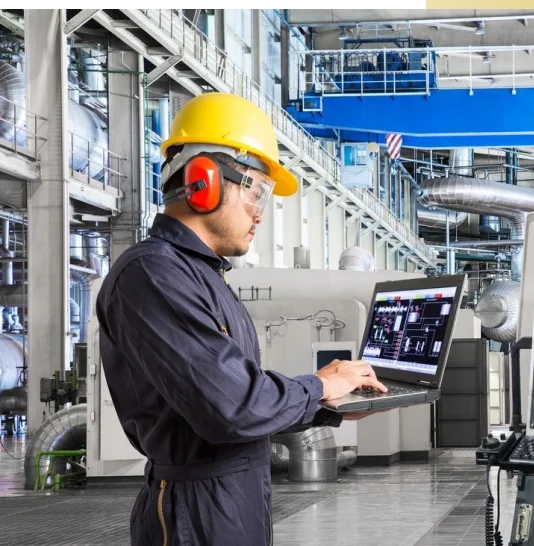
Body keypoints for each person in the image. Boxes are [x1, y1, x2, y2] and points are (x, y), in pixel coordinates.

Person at [95, 92, 388, 546]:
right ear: (203, 181)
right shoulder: (151, 275)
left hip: (232, 500)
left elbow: (237, 399)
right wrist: (320, 385)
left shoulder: (203, 275)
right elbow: (231, 407)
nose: (259, 212)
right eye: (255, 190)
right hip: (196, 514)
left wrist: (326, 409)